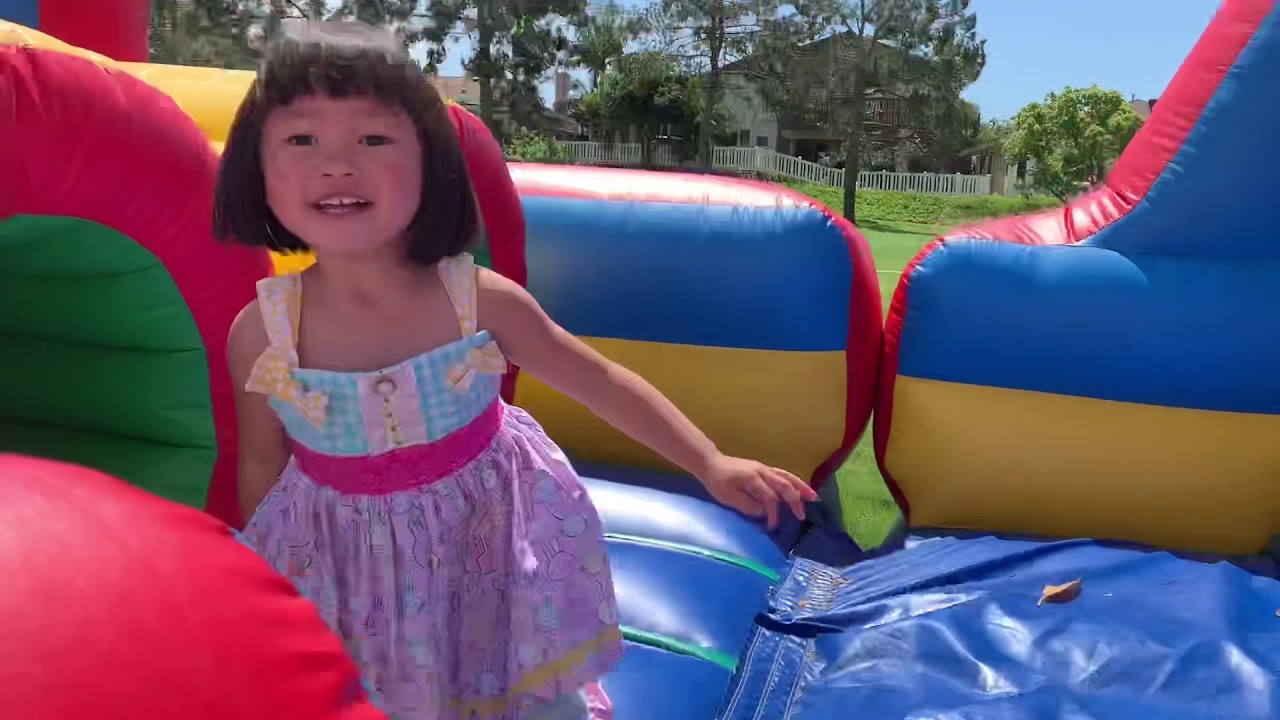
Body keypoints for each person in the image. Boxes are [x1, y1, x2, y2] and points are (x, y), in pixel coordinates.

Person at [216, 22, 816, 720]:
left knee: (509, 690)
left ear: (430, 161)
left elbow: (600, 381)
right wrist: (260, 592)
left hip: (486, 552)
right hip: (350, 571)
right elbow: (261, 464)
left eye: (374, 139)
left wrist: (710, 463)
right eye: (301, 140)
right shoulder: (265, 329)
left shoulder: (474, 298)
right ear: (255, 169)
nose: (336, 165)